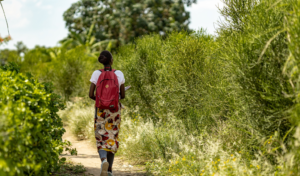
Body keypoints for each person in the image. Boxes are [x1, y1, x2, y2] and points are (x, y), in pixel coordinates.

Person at [89, 50, 125, 176]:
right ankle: (109, 170)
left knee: (101, 136)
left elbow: (90, 94)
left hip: (100, 111)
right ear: (111, 60)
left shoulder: (96, 73)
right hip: (114, 111)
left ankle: (103, 161)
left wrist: (101, 101)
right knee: (112, 136)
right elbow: (123, 95)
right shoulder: (119, 74)